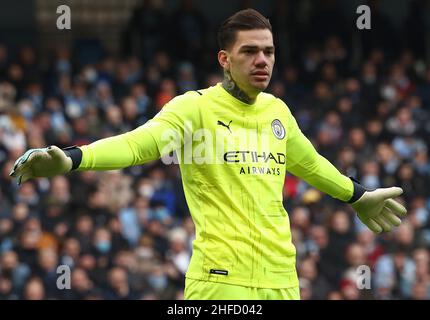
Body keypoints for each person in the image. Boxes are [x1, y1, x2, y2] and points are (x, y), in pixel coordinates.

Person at [9, 9, 407, 300]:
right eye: (250, 51)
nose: (262, 60)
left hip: (283, 281)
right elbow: (136, 144)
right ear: (225, 60)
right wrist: (73, 158)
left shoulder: (277, 111)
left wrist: (356, 194)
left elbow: (311, 164)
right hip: (219, 282)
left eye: (268, 51)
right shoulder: (193, 108)